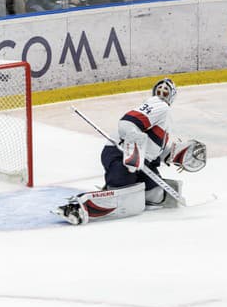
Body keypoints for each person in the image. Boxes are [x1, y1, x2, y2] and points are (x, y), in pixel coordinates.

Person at [53, 78, 207, 225]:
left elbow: (152, 150)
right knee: (129, 200)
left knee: (157, 195)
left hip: (140, 163)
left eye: (165, 92)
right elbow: (127, 123)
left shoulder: (163, 116)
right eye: (159, 91)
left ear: (171, 96)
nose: (161, 94)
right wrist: (133, 149)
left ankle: (119, 189)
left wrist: (173, 155)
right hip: (119, 155)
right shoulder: (159, 105)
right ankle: (77, 208)